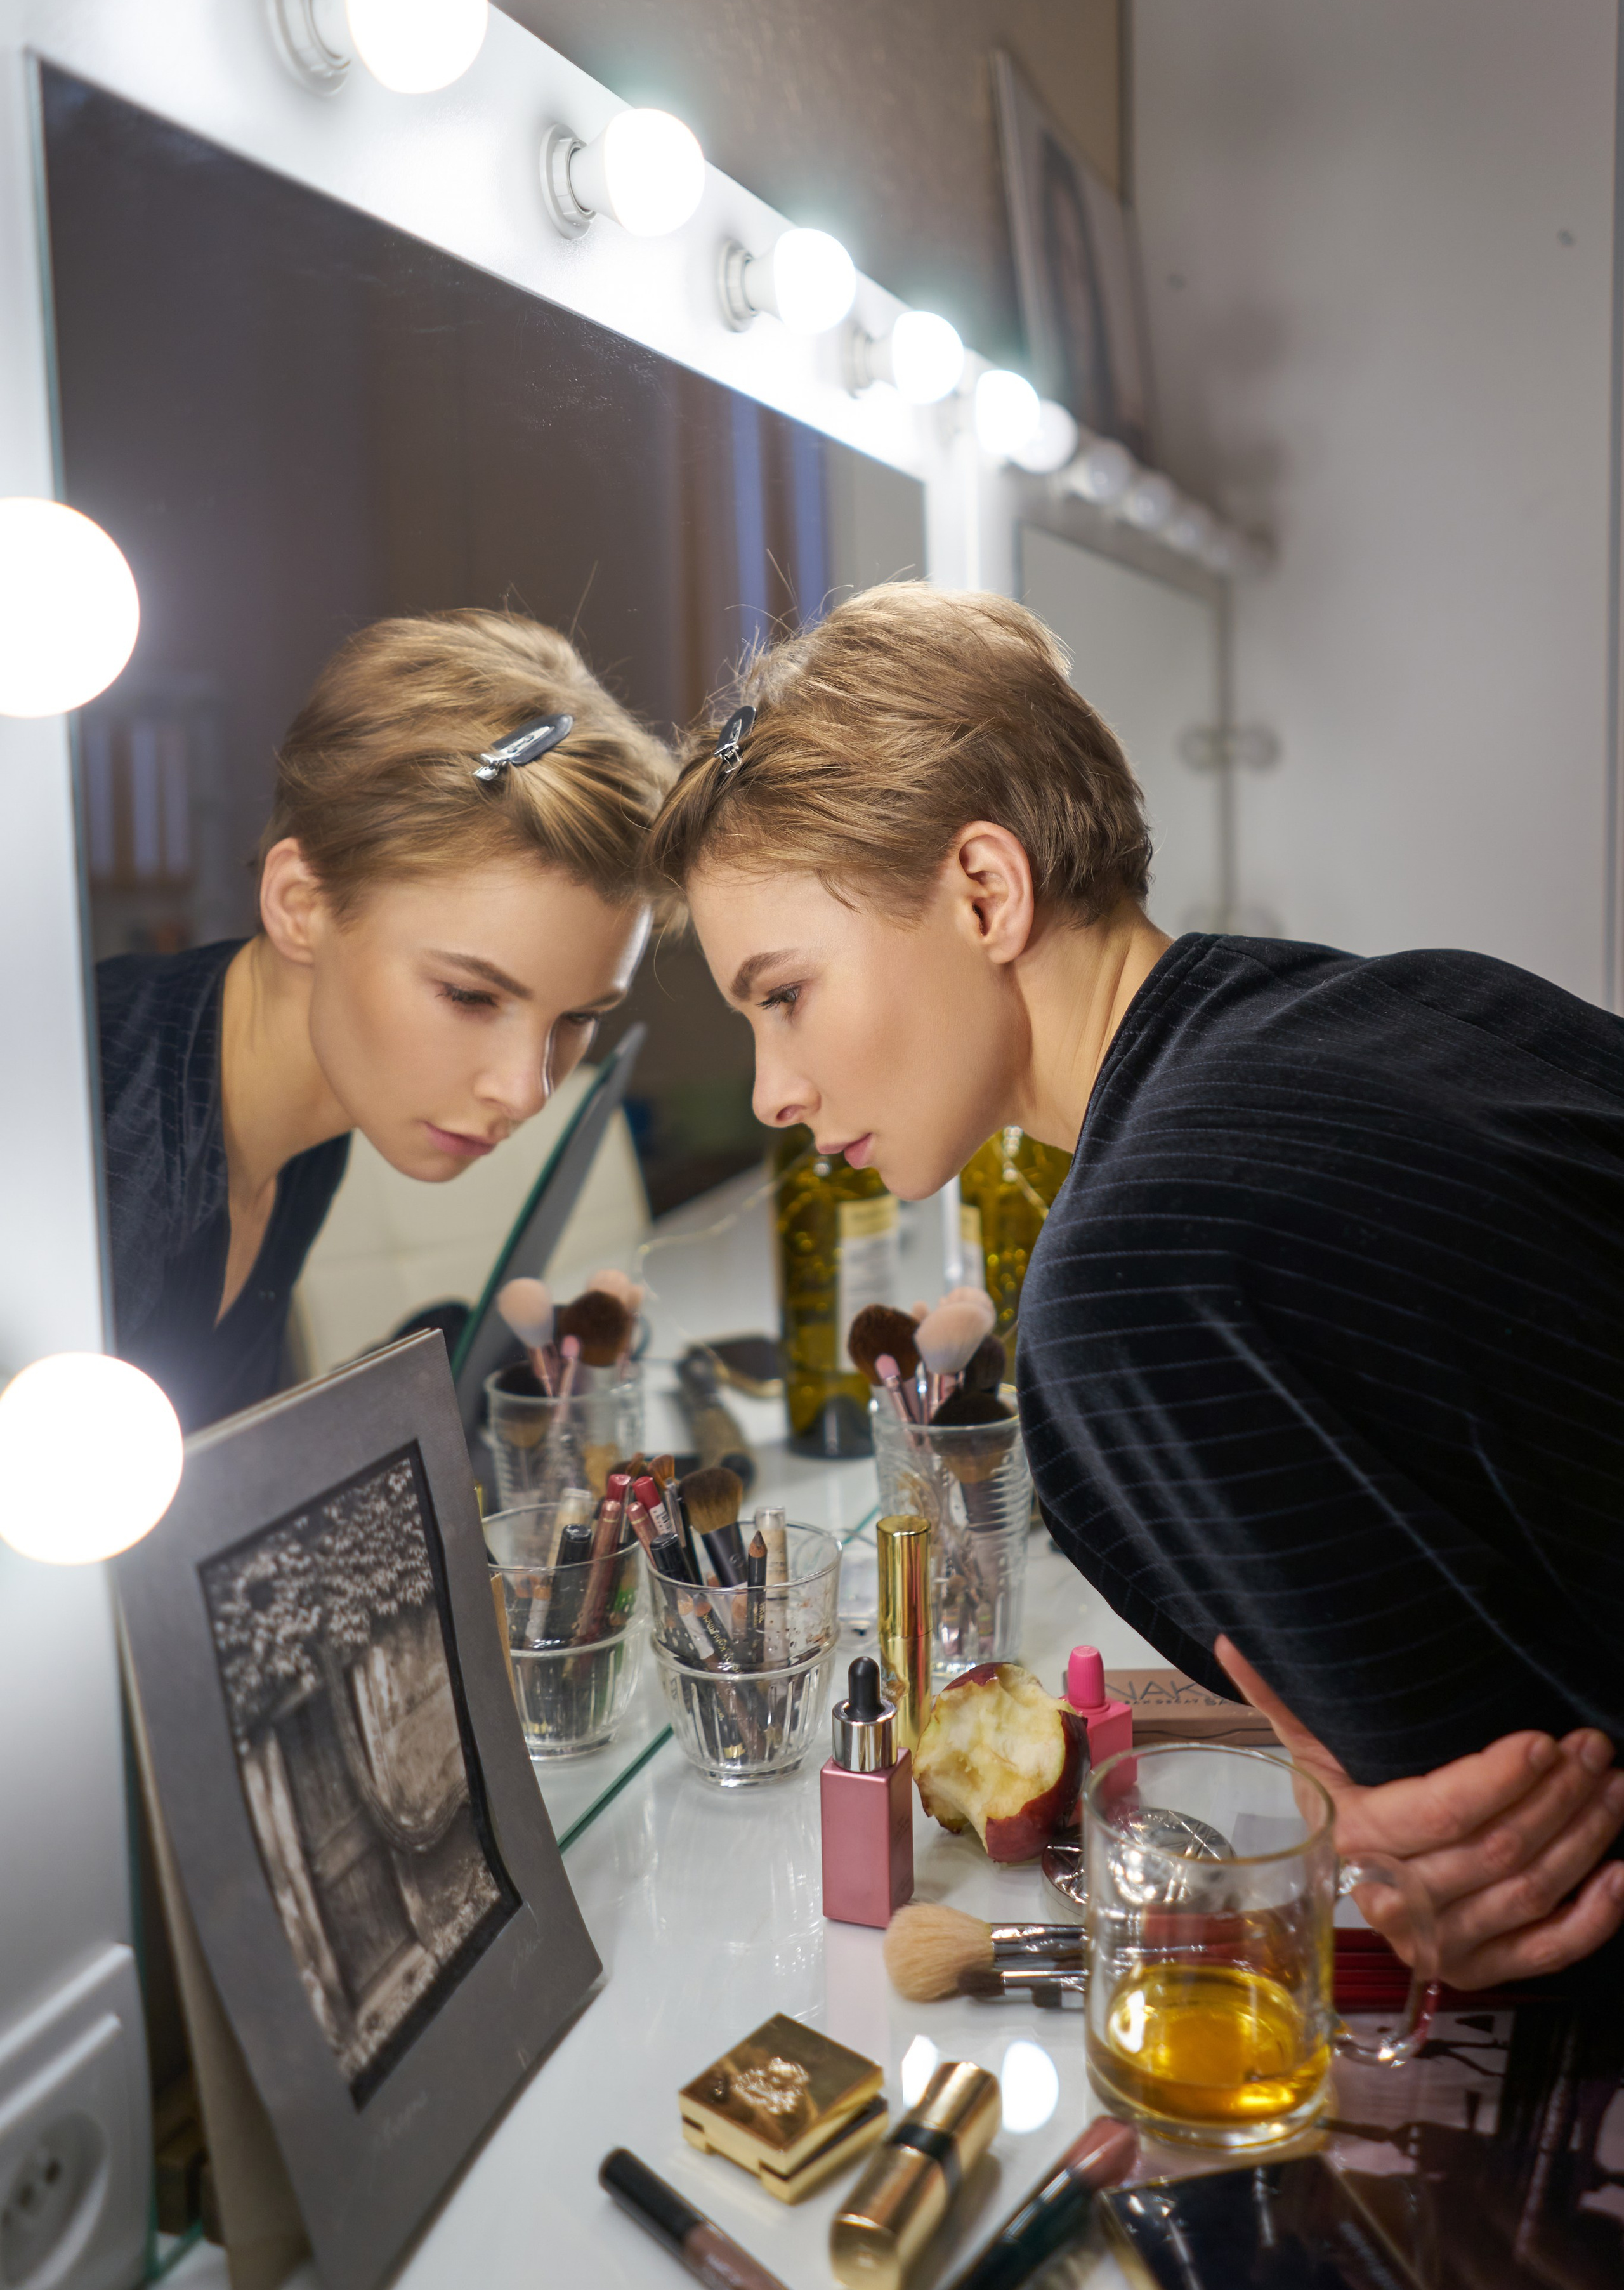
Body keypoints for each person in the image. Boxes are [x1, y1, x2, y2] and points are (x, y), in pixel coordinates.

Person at [646, 582, 1624, 1987]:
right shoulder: (1414, 1000)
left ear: (984, 890)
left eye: (783, 993)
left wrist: (1367, 1854)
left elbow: (1521, 1858)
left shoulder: (1127, 1283)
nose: (775, 1092)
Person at [97, 609, 671, 1433]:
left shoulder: (299, 1109)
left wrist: (486, 1376)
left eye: (578, 1016)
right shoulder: (102, 1155)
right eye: (469, 996)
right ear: (302, 904)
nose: (524, 1090)